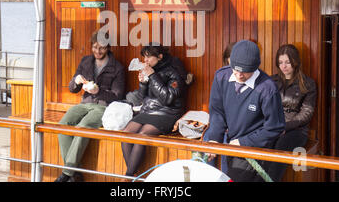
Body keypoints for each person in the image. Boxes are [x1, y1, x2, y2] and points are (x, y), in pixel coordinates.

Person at [203, 40, 285, 182]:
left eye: (245, 72)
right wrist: (214, 139)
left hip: (255, 148)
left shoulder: (267, 89)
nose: (239, 75)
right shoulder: (221, 77)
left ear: (255, 68)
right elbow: (217, 111)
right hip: (231, 143)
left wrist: (243, 142)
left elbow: (275, 127)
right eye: (235, 69)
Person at [55, 31, 126, 182]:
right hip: (84, 103)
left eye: (102, 48)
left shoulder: (117, 67)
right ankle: (75, 173)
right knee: (62, 125)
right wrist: (76, 81)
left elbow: (117, 95)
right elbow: (72, 89)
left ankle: (67, 174)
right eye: (95, 47)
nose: (97, 51)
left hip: (103, 107)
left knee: (83, 126)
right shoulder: (85, 61)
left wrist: (99, 91)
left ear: (108, 48)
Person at [121, 43, 187, 178]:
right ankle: (134, 176)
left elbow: (168, 98)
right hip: (148, 110)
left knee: (142, 135)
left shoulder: (174, 73)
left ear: (160, 57)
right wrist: (143, 83)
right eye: (144, 57)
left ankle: (128, 177)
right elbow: (142, 96)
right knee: (126, 133)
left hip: (167, 113)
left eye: (148, 57)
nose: (145, 61)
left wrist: (152, 76)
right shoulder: (149, 70)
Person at [264, 44, 316, 181]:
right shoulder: (271, 81)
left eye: (287, 62)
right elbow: (264, 106)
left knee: (281, 144)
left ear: (295, 62)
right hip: (273, 126)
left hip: (297, 131)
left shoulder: (308, 83)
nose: (284, 66)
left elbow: (306, 113)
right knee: (263, 142)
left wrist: (285, 127)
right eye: (280, 62)